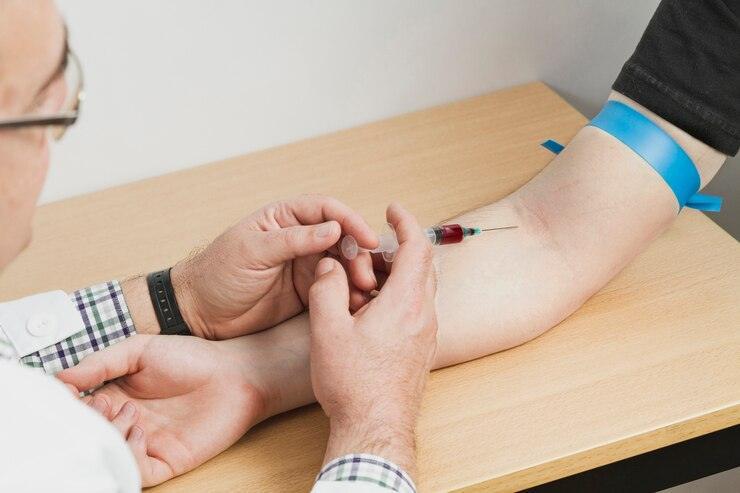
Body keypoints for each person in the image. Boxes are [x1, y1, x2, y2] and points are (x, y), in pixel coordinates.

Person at [1, 0, 737, 491]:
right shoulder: (55, 454)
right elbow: (547, 238)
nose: (65, 118)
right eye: (55, 103)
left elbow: (552, 237)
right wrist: (373, 421)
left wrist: (201, 318)